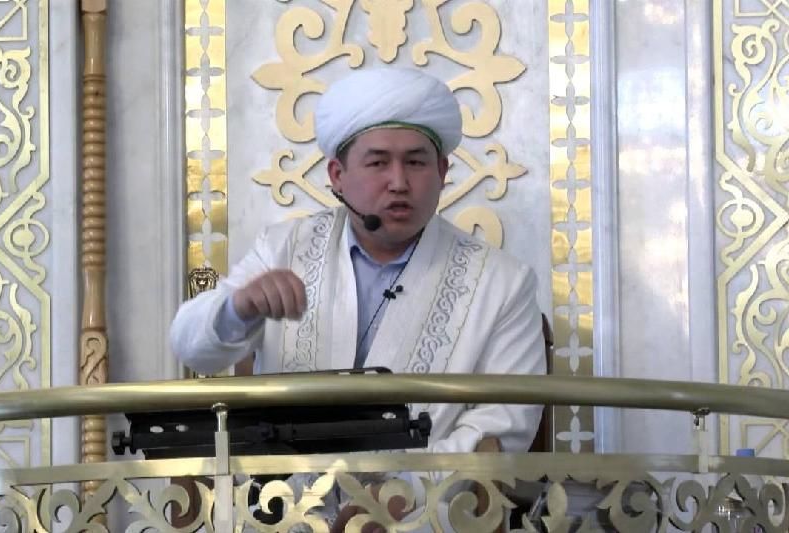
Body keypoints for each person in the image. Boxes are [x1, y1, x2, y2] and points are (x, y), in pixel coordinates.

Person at [170, 66, 545, 527]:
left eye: (416, 162)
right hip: (282, 516)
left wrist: (402, 495)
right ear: (337, 175)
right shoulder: (283, 247)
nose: (399, 181)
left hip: (421, 518)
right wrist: (237, 308)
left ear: (442, 171)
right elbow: (191, 346)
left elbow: (503, 425)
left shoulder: (505, 282)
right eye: (378, 163)